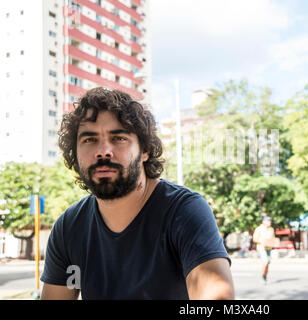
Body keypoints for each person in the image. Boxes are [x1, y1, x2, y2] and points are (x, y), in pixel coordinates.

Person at [40, 87, 234, 300]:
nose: (103, 150)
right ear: (75, 154)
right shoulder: (69, 228)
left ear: (144, 150)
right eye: (89, 139)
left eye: (118, 138)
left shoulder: (184, 212)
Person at [252, 216, 277, 284]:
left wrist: (273, 243)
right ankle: (263, 277)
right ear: (263, 221)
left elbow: (272, 239)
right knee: (265, 261)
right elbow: (255, 239)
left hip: (269, 248)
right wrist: (262, 241)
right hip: (261, 247)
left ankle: (265, 276)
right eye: (267, 221)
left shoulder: (271, 229)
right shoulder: (259, 229)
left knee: (268, 262)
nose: (269, 222)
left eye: (270, 221)